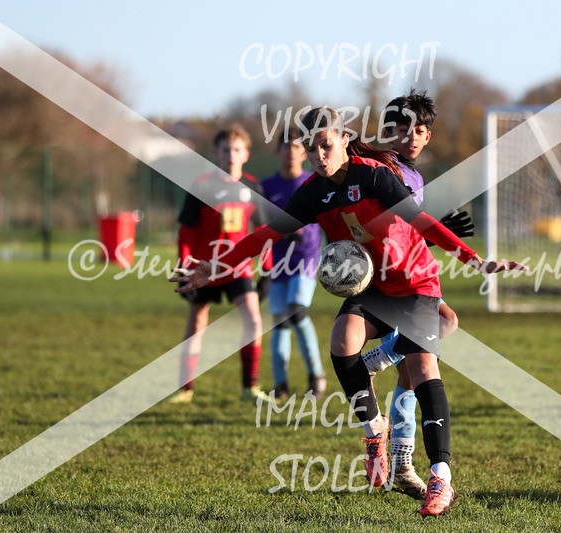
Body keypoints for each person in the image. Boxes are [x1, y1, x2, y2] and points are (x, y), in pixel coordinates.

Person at [171, 106, 526, 516]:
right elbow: (264, 236)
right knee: (341, 343)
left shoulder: (374, 176)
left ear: (342, 139)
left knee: (424, 370)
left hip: (415, 285)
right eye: (311, 149)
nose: (320, 156)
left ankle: (441, 478)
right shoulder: (312, 191)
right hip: (373, 287)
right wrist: (211, 269)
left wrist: (473, 259)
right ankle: (375, 432)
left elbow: (421, 221)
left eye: (326, 145)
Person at [360, 88, 473, 500]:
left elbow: (406, 221)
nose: (411, 135)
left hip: (413, 273)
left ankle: (403, 460)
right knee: (431, 343)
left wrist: (438, 228)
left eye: (420, 129)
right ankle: (380, 359)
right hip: (390, 280)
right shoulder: (375, 165)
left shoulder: (413, 175)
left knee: (414, 367)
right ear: (389, 129)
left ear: (428, 137)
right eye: (403, 127)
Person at [168, 124, 271, 405]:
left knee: (253, 319)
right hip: (204, 270)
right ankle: (185, 389)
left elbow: (264, 231)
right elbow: (186, 231)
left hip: (238, 269)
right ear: (216, 153)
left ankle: (250, 387)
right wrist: (185, 267)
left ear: (246, 154)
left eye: (237, 150)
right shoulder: (202, 186)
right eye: (226, 150)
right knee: (196, 323)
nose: (231, 155)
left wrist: (269, 270)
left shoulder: (252, 187)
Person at [260, 127, 326, 401]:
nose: (291, 151)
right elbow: (262, 227)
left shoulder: (314, 182)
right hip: (278, 262)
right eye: (286, 145)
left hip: (306, 259)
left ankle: (316, 375)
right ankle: (281, 385)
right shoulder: (266, 188)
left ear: (305, 152)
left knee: (297, 312)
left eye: (298, 146)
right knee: (279, 322)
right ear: (277, 150)